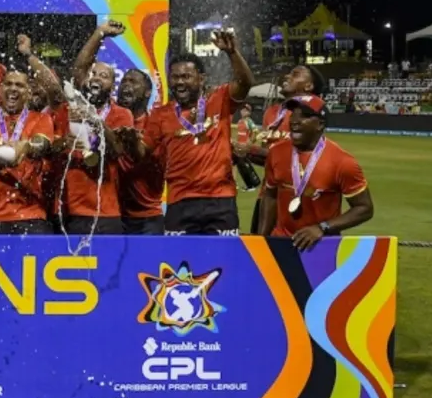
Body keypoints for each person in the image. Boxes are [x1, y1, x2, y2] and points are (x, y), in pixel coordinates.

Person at [124, 31, 254, 235]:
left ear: (201, 79)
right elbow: (142, 153)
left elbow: (246, 83)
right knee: (179, 264)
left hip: (219, 201)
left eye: (186, 76)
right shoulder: (161, 114)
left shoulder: (219, 99)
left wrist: (232, 53)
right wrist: (130, 140)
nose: (179, 82)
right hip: (180, 202)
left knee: (223, 263)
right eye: (174, 77)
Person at [50, 21, 135, 235]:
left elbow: (116, 150)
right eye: (93, 74)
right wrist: (99, 33)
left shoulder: (121, 114)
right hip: (66, 209)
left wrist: (94, 120)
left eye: (104, 76)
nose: (96, 78)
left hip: (104, 211)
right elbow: (79, 69)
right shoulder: (67, 109)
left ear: (112, 86)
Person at [259, 95, 373, 249]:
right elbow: (270, 196)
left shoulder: (343, 162)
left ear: (320, 124)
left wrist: (322, 227)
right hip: (281, 243)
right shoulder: (276, 152)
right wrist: (260, 240)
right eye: (293, 114)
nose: (294, 121)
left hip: (322, 246)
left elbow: (364, 208)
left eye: (305, 116)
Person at [0, 71, 55, 234]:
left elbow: (42, 143)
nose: (13, 89)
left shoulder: (40, 119)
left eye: (19, 85)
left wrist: (27, 147)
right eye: (8, 84)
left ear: (29, 92)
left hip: (30, 214)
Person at [246, 65, 326, 232]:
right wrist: (244, 155)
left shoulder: (311, 115)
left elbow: (303, 158)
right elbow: (270, 162)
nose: (287, 77)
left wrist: (250, 150)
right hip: (267, 196)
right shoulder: (272, 112)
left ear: (309, 86)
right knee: (259, 252)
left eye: (295, 74)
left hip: (295, 199)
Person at [115, 67, 164, 234]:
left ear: (147, 93)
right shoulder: (111, 120)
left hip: (147, 217)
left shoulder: (156, 126)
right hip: (114, 215)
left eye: (133, 82)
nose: (126, 85)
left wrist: (135, 144)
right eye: (124, 81)